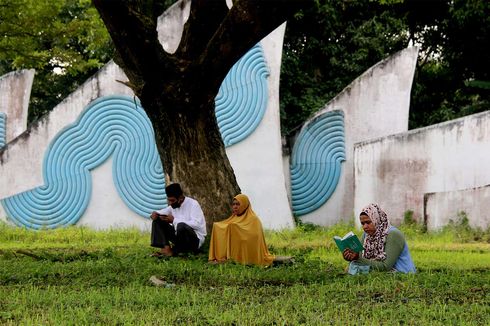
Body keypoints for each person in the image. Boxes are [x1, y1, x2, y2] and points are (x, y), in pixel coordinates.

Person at [342, 203, 416, 274]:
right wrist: (351, 257)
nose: (365, 227)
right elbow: (361, 257)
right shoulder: (367, 235)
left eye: (368, 222)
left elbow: (385, 266)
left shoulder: (393, 235)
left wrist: (357, 259)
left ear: (377, 219)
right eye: (363, 223)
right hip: (379, 273)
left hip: (401, 273)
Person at [208, 194, 275, 266]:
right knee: (217, 226)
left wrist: (237, 229)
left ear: (245, 204)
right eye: (233, 204)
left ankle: (235, 259)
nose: (235, 207)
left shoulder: (253, 218)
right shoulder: (235, 217)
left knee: (232, 227)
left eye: (238, 204)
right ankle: (221, 256)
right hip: (239, 241)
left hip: (249, 246)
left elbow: (255, 237)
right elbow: (226, 225)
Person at [150, 183, 207, 257]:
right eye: (169, 200)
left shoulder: (193, 204)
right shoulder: (173, 206)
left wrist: (174, 220)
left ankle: (181, 251)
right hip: (179, 239)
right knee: (157, 220)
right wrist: (156, 214)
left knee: (181, 225)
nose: (170, 203)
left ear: (180, 198)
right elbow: (162, 212)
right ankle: (166, 249)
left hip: (194, 240)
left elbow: (197, 224)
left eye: (172, 201)